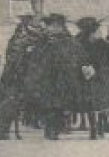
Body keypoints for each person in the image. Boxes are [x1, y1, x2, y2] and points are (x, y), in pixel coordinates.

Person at [35, 13, 90, 141]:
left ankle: (54, 129)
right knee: (52, 105)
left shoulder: (66, 41)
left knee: (58, 105)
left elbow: (80, 56)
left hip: (62, 79)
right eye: (48, 26)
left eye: (51, 26)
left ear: (58, 26)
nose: (48, 28)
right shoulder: (47, 40)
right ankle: (51, 129)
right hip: (50, 78)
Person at [75, 16, 109, 140]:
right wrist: (84, 68)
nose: (99, 33)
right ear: (91, 32)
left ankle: (100, 125)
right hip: (87, 76)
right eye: (97, 31)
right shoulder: (79, 43)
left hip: (102, 77)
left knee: (102, 104)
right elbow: (76, 59)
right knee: (91, 104)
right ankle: (94, 128)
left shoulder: (103, 45)